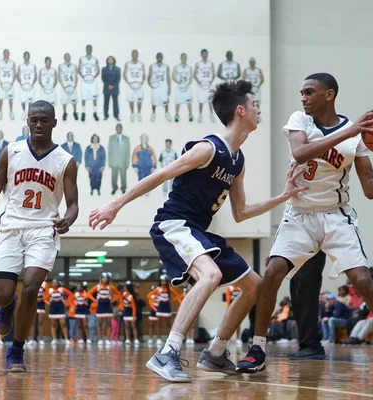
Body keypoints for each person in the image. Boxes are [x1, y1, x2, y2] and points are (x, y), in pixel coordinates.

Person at [89, 80, 306, 382]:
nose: (259, 109)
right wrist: (116, 204)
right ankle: (168, 353)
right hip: (173, 223)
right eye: (255, 104)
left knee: (256, 286)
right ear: (241, 110)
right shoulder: (208, 148)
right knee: (211, 275)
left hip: (197, 230)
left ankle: (216, 352)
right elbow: (160, 174)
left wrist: (282, 197)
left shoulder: (237, 160)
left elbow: (241, 213)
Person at [237, 72, 373, 378]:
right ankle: (257, 348)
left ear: (329, 94)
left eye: (309, 92)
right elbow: (300, 152)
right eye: (302, 93)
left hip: (336, 215)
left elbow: (370, 189)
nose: (303, 98)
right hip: (300, 215)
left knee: (362, 281)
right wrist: (350, 133)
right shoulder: (300, 121)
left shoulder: (356, 136)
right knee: (272, 273)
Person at [0, 100, 79, 372]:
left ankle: (16, 350)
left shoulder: (66, 161)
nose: (39, 124)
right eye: (34, 119)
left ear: (54, 123)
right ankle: (7, 305)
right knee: (2, 294)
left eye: (44, 120)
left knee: (32, 288)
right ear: (27, 121)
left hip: (43, 229)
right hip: (11, 227)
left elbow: (72, 203)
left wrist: (68, 219)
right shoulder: (11, 152)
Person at [87, 272, 121, 346]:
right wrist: (94, 300)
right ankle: (100, 339)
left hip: (108, 306)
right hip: (100, 306)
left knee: (109, 323)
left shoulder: (110, 287)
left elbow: (118, 293)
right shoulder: (98, 286)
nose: (105, 279)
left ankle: (108, 339)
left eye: (106, 278)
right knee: (99, 323)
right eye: (103, 278)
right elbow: (88, 293)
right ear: (101, 279)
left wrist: (113, 300)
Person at [149, 275, 183, 345]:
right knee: (159, 324)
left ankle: (169, 339)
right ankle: (158, 338)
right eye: (162, 281)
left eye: (164, 281)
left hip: (167, 307)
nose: (163, 282)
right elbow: (149, 295)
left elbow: (177, 295)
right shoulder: (158, 289)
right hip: (160, 306)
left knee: (168, 324)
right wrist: (156, 298)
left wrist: (173, 300)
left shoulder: (169, 289)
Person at [46, 279, 74, 345]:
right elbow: (45, 297)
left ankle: (66, 339)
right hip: (52, 308)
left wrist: (67, 303)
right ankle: (54, 339)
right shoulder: (50, 290)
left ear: (58, 283)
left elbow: (71, 295)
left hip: (60, 308)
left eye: (55, 282)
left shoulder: (62, 289)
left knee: (63, 324)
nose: (54, 283)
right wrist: (48, 302)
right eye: (53, 282)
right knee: (53, 324)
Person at [78, 44, 100, 121]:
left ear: (91, 50)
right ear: (86, 49)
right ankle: (83, 113)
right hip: (85, 81)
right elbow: (79, 69)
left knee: (94, 98)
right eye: (87, 48)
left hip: (92, 81)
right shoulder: (82, 59)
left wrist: (94, 76)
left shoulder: (95, 59)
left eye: (90, 49)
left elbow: (98, 70)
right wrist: (83, 76)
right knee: (84, 98)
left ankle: (95, 113)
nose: (89, 50)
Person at [148, 52, 171, 122]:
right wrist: (150, 84)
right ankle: (153, 113)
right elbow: (149, 77)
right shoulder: (152, 66)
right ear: (156, 57)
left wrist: (169, 88)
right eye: (158, 56)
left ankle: (166, 113)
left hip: (163, 87)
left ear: (162, 57)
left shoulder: (166, 66)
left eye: (160, 56)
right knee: (154, 102)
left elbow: (168, 78)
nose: (159, 57)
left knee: (165, 102)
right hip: (155, 88)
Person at [194, 49, 216, 123]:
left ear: (207, 54)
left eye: (206, 54)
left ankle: (211, 114)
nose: (205, 55)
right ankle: (200, 115)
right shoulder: (198, 64)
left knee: (210, 100)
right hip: (201, 84)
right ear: (201, 55)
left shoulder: (210, 63)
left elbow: (213, 74)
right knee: (201, 100)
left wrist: (211, 81)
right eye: (203, 54)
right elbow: (194, 74)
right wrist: (198, 81)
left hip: (208, 84)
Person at [108, 123, 130, 195]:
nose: (118, 129)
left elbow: (128, 151)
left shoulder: (126, 139)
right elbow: (109, 150)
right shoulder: (111, 138)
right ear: (116, 129)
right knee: (114, 176)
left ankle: (123, 188)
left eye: (120, 128)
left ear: (121, 129)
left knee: (123, 176)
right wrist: (109, 161)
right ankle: (114, 188)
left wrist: (127, 162)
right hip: (114, 161)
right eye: (117, 128)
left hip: (122, 161)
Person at [124, 49, 145, 122]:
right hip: (131, 85)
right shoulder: (128, 63)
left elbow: (144, 74)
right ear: (131, 55)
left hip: (139, 84)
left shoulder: (141, 63)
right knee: (131, 100)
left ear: (137, 55)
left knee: (139, 100)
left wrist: (142, 82)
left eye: (136, 54)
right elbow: (124, 74)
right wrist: (128, 82)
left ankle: (139, 113)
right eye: (133, 54)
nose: (134, 55)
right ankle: (132, 113)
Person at [172, 53, 193, 123]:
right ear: (181, 58)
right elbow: (173, 76)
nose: (184, 58)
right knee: (178, 101)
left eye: (185, 57)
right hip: (179, 87)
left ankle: (190, 114)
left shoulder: (189, 67)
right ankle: (177, 115)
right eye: (183, 57)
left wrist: (188, 83)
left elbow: (191, 77)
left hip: (187, 87)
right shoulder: (176, 67)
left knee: (189, 101)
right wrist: (178, 82)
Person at [0, 49, 16, 121]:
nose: (7, 54)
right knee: (1, 98)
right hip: (2, 83)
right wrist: (0, 82)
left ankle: (11, 111)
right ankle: (0, 111)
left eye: (8, 53)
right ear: (3, 54)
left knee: (10, 98)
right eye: (5, 53)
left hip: (10, 83)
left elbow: (14, 73)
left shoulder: (12, 62)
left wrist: (12, 82)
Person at [58, 53, 79, 121]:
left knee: (74, 101)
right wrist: (63, 86)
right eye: (66, 56)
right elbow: (59, 77)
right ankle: (65, 113)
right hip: (65, 86)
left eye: (68, 56)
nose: (67, 58)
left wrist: (75, 85)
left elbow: (76, 76)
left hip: (72, 86)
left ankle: (75, 112)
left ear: (70, 57)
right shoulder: (61, 66)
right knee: (64, 101)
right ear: (64, 58)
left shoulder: (74, 66)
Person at [17, 51, 37, 121]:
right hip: (23, 86)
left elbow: (35, 76)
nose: (26, 57)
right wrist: (21, 83)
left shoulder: (33, 66)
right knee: (23, 100)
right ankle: (23, 111)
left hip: (30, 86)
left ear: (29, 57)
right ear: (23, 57)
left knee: (30, 101)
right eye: (25, 56)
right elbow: (18, 76)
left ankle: (29, 113)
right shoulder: (20, 66)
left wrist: (32, 83)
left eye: (27, 56)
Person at [101, 56, 120, 121]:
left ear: (114, 61)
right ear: (107, 61)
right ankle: (106, 115)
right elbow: (103, 78)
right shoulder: (103, 69)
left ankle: (116, 115)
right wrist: (108, 85)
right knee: (106, 103)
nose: (110, 61)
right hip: (106, 88)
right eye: (109, 59)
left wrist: (113, 86)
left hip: (115, 89)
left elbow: (118, 79)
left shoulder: (118, 69)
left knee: (115, 103)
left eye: (111, 59)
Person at [32, 281, 48, 345]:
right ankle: (32, 340)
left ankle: (41, 339)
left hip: (41, 304)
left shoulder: (45, 284)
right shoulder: (33, 282)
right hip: (33, 303)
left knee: (40, 322)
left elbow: (47, 294)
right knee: (32, 322)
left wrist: (42, 298)